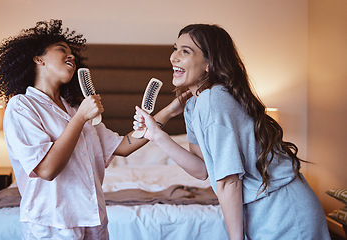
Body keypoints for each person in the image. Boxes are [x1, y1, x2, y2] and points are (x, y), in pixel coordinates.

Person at [133, 24, 330, 240]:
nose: (173, 57)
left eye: (185, 51)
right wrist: (158, 136)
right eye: (175, 48)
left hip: (285, 211)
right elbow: (201, 170)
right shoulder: (193, 106)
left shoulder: (213, 100)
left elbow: (229, 180)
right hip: (262, 213)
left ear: (209, 63)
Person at [0, 19, 182, 240]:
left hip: (93, 220)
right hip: (52, 224)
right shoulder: (22, 106)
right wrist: (81, 117)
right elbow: (46, 169)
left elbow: (124, 146)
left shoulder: (74, 108)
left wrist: (170, 110)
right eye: (63, 50)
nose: (71, 56)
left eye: (73, 54)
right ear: (38, 59)